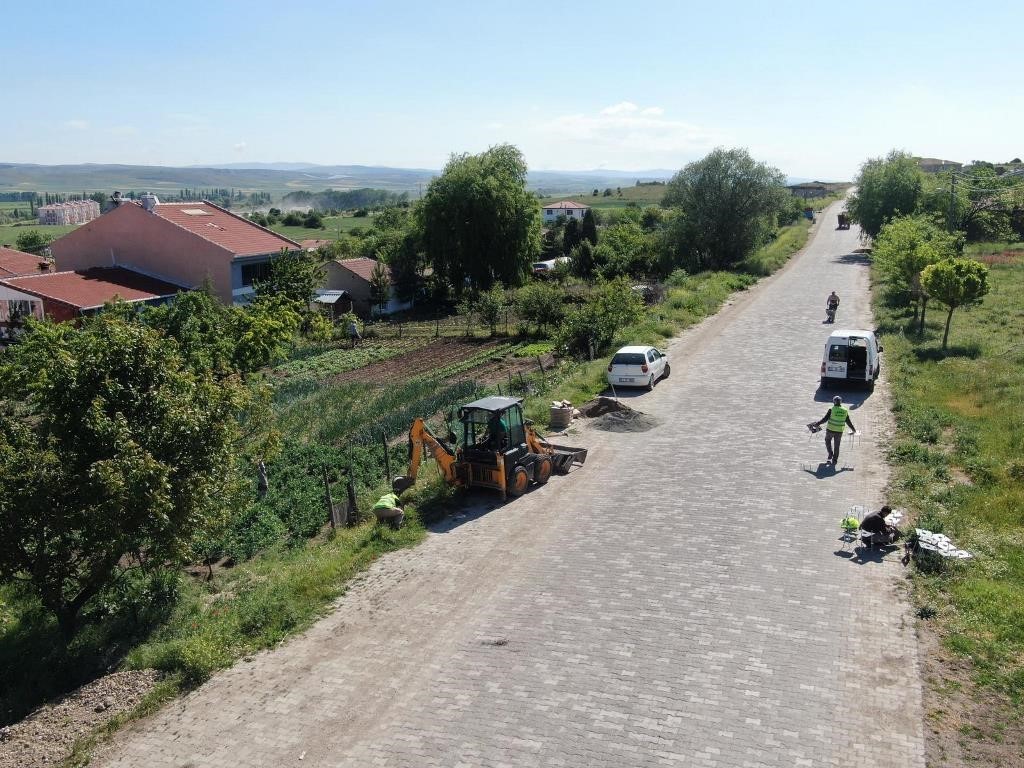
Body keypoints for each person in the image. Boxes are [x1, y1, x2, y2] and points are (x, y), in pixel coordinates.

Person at [812, 395, 856, 466]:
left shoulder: (831, 409)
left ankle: (830, 453)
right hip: (839, 431)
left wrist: (817, 424)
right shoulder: (845, 411)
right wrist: (853, 430)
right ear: (841, 402)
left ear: (834, 402)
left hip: (830, 430)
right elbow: (848, 422)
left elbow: (825, 419)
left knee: (827, 440)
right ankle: (835, 460)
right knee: (837, 446)